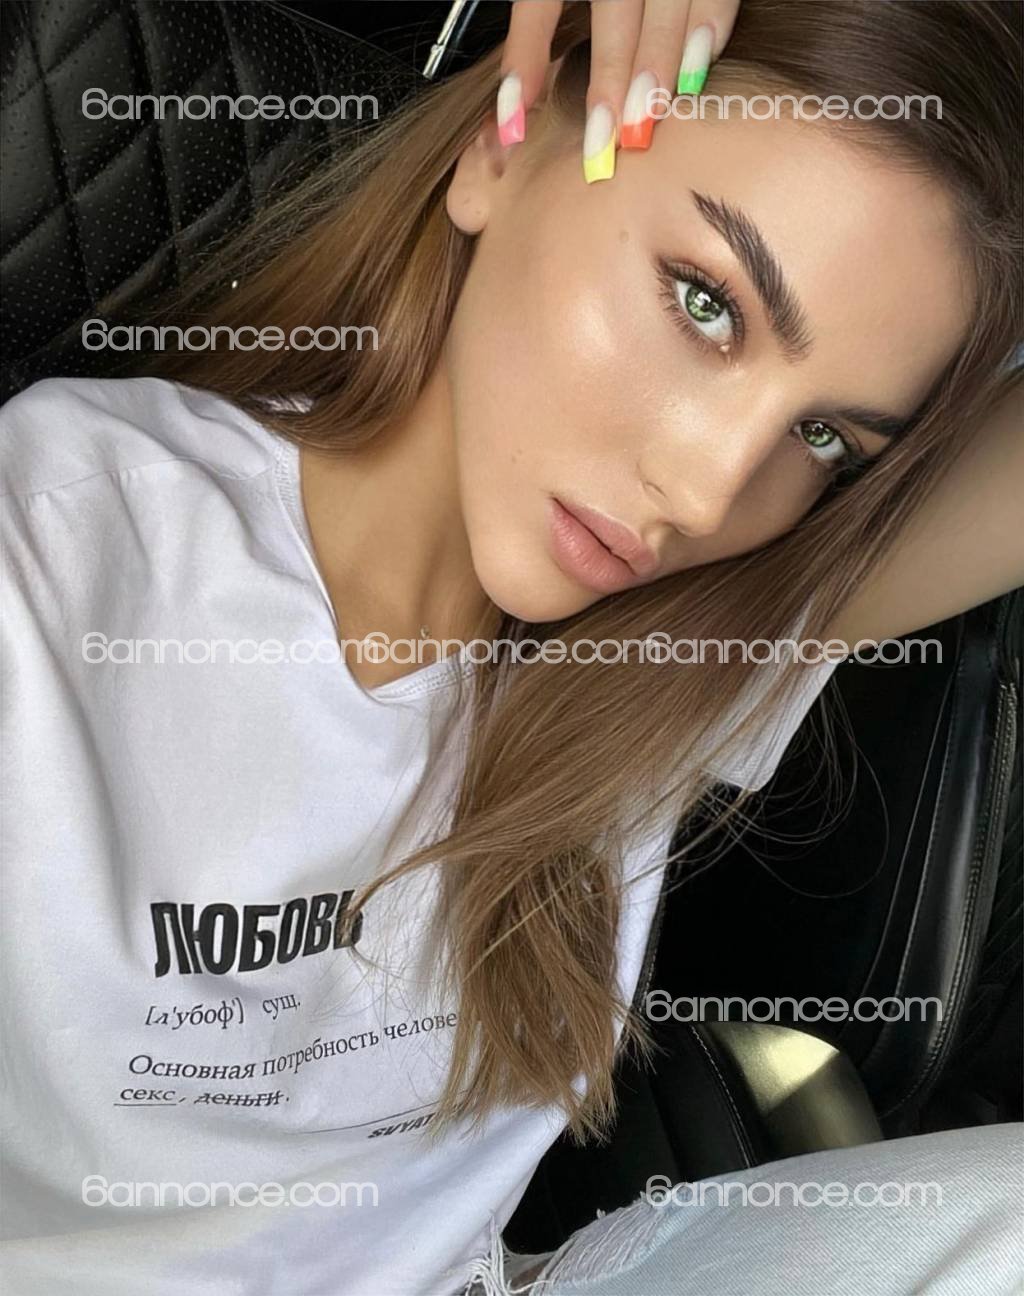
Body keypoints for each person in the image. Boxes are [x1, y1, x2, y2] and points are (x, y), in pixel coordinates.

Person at [1, 1, 1021, 1293]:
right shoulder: (54, 568)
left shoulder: (668, 651)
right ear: (505, 138)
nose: (708, 490)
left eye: (824, 439)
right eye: (705, 302)